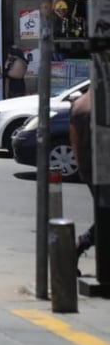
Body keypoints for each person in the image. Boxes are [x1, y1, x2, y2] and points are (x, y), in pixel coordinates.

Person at [69, 89, 96, 260]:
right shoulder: (98, 104)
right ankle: (78, 247)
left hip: (89, 169)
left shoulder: (79, 105)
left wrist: (81, 168)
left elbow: (74, 141)